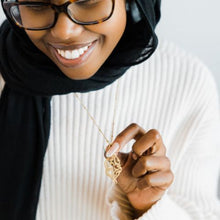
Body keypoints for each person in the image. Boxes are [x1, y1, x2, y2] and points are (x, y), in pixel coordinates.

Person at [0, 0, 219, 219]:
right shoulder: (5, 74)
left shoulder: (188, 84)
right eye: (36, 5)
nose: (64, 32)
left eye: (87, 1)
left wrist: (145, 206)